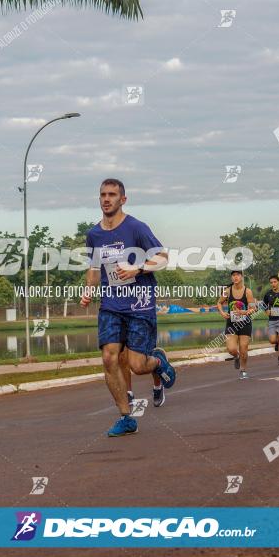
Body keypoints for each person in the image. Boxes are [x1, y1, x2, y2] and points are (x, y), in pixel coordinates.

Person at [81, 178, 176, 437]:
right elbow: (93, 269)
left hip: (139, 302)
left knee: (137, 365)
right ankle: (126, 417)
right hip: (111, 303)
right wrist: (89, 290)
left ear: (123, 199)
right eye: (103, 194)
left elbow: (163, 258)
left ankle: (157, 362)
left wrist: (139, 267)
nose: (106, 199)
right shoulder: (94, 234)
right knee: (109, 357)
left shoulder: (136, 228)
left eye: (112, 194)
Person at [217, 270, 257, 379]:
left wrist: (246, 312)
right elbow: (219, 302)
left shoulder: (248, 292)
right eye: (233, 275)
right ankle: (236, 356)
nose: (235, 277)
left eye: (237, 275)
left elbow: (253, 308)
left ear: (241, 277)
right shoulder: (227, 291)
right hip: (231, 324)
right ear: (231, 278)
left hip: (245, 323)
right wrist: (222, 312)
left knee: (244, 349)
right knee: (231, 349)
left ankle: (243, 370)